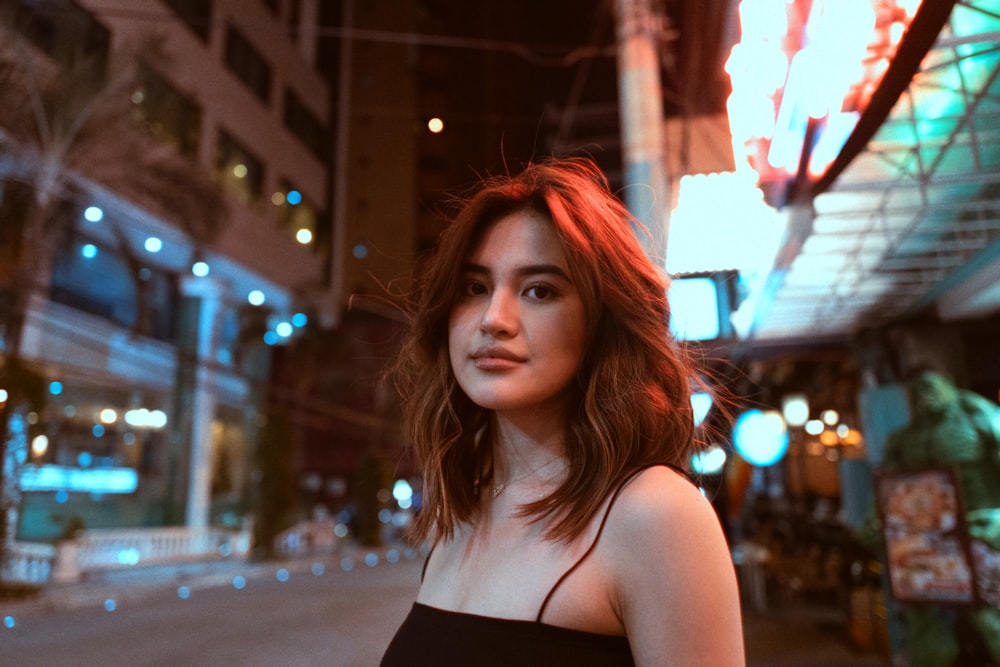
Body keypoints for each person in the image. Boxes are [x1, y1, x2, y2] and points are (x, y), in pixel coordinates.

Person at [380, 157, 745, 666]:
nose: (494, 319)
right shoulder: (465, 513)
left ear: (602, 323)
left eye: (540, 291)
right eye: (474, 288)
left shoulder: (657, 514)